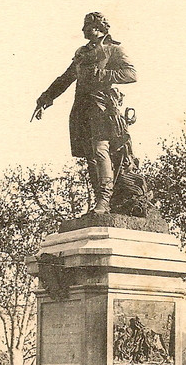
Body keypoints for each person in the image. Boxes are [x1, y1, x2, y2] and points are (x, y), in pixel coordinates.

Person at [33, 12, 137, 214]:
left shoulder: (113, 50)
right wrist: (45, 98)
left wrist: (103, 75)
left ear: (101, 28)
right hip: (82, 109)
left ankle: (105, 200)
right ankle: (100, 199)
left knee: (100, 151)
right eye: (86, 27)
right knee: (90, 156)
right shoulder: (81, 55)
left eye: (91, 27)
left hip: (103, 107)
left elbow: (131, 74)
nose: (87, 31)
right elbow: (65, 78)